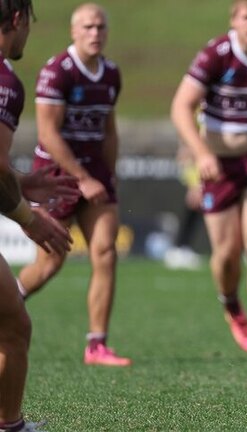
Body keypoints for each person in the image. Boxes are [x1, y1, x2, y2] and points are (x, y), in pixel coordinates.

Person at [171, 0, 247, 355]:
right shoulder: (217, 54)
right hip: (218, 163)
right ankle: (232, 307)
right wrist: (202, 153)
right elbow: (181, 106)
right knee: (226, 253)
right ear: (235, 20)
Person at [16, 3, 132, 367]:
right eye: (88, 27)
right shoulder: (57, 71)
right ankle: (10, 302)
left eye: (100, 27)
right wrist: (81, 179)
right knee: (50, 263)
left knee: (105, 252)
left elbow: (109, 131)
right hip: (57, 176)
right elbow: (48, 133)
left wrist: (106, 177)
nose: (95, 33)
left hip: (95, 176)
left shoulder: (111, 73)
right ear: (73, 31)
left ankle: (97, 345)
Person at [0, 1, 77, 430]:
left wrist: (23, 181)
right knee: (12, 328)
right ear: (16, 20)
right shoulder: (5, 81)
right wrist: (27, 217)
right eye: (29, 21)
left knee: (11, 320)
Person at [163, 141, 203, 270]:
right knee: (192, 209)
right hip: (198, 177)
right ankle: (179, 248)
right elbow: (184, 156)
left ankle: (181, 247)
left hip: (205, 176)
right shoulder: (192, 131)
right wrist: (194, 184)